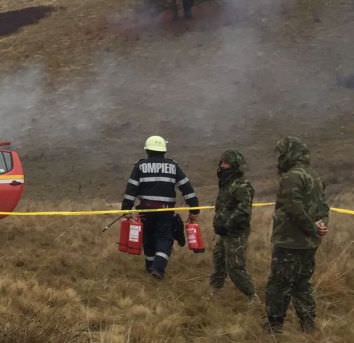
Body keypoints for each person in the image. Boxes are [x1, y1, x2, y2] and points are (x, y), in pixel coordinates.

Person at [265, 137, 329, 333]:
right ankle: (308, 324)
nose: (280, 158)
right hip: (309, 242)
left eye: (282, 153)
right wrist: (321, 226)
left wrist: (311, 227)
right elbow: (324, 206)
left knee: (279, 284)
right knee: (302, 283)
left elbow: (294, 207)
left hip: (290, 241)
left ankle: (274, 326)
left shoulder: (291, 176)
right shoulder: (314, 176)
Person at [121, 135, 200, 280]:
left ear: (147, 151)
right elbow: (187, 188)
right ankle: (158, 268)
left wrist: (126, 209)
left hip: (145, 210)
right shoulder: (173, 166)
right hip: (165, 211)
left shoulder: (140, 166)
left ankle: (150, 267)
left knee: (148, 238)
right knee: (164, 238)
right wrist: (194, 210)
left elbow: (131, 189)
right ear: (164, 150)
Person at [209, 149, 257, 298]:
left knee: (235, 267)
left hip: (236, 232)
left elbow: (243, 211)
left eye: (226, 163)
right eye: (221, 162)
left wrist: (227, 223)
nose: (222, 166)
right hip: (225, 232)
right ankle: (214, 292)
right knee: (218, 259)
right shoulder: (226, 185)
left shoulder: (242, 186)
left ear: (234, 165)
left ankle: (252, 296)